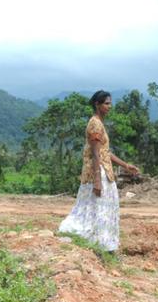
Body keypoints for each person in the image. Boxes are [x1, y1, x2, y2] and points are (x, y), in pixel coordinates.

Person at [58, 90, 140, 252]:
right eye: (106, 103)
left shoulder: (100, 123)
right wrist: (97, 179)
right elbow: (95, 153)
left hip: (105, 170)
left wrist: (125, 165)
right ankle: (96, 243)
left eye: (110, 103)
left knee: (101, 207)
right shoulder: (95, 123)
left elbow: (105, 152)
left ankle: (102, 244)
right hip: (98, 171)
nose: (110, 106)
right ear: (97, 104)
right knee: (96, 207)